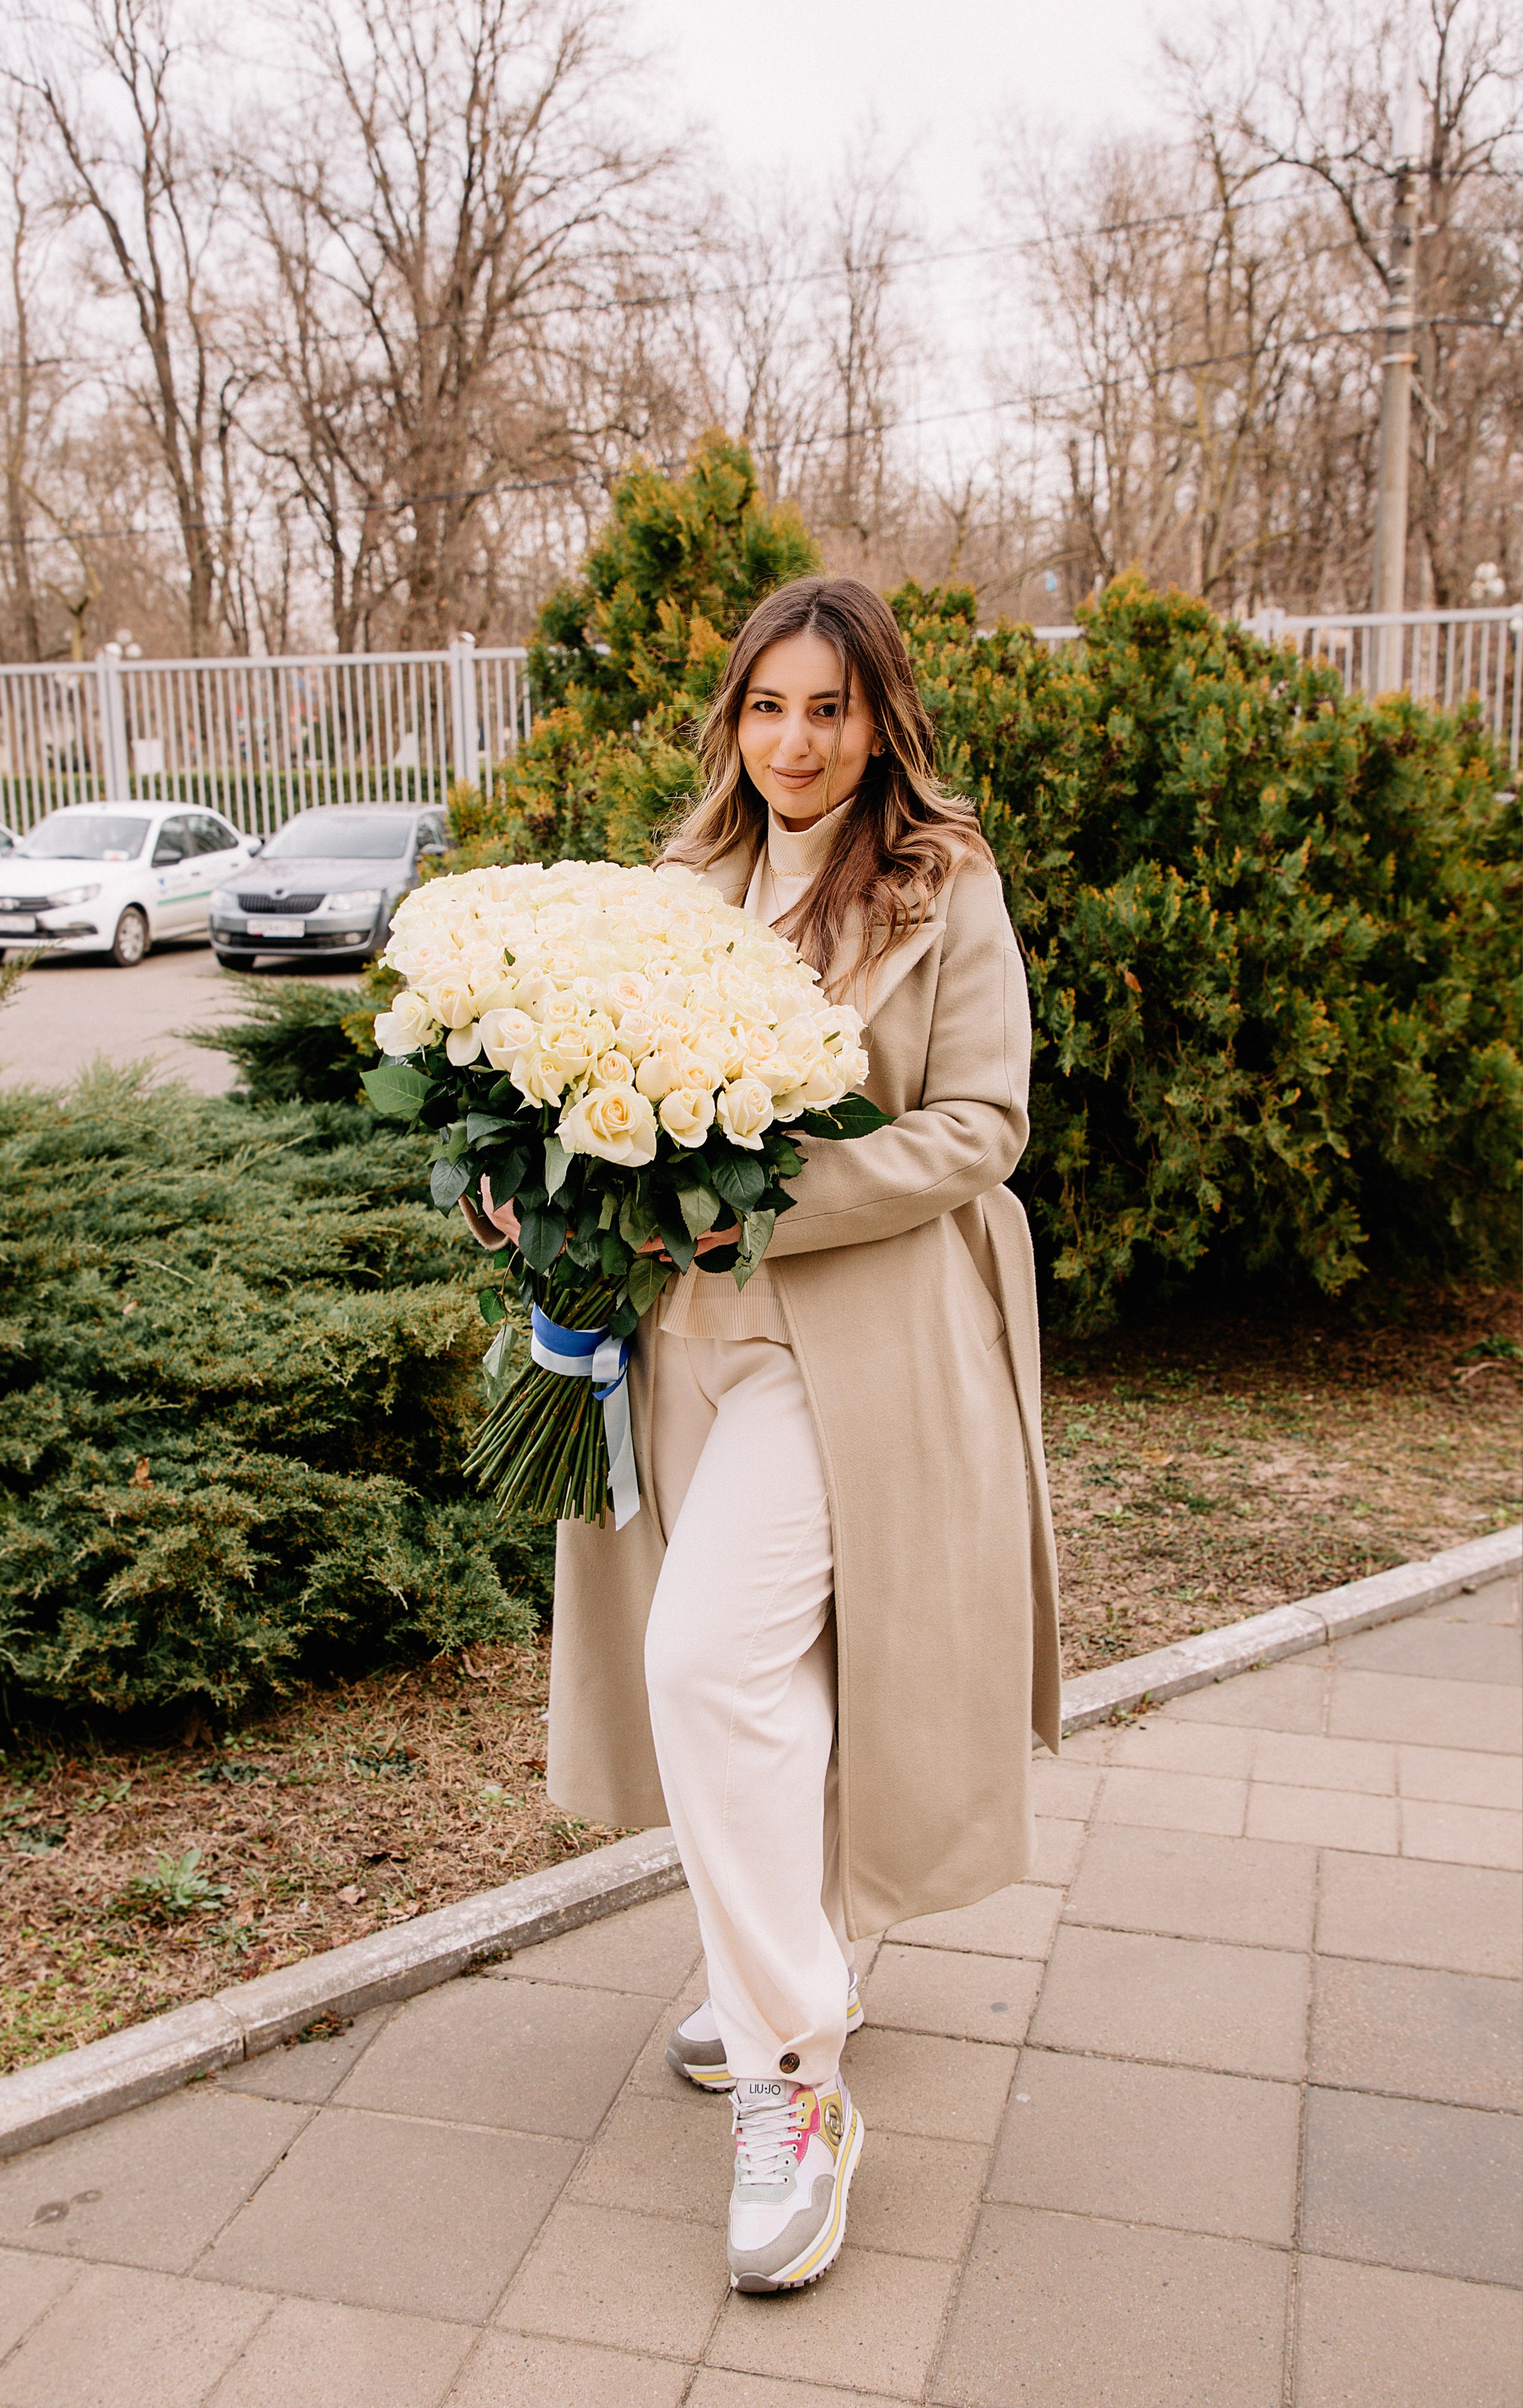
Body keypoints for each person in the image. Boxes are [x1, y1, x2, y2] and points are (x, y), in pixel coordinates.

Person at [470, 574, 1059, 2295]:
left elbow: (982, 1127)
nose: (796, 742)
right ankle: (795, 1963)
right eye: (768, 708)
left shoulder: (944, 888)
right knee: (772, 1674)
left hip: (853, 1344)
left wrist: (768, 1206)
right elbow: (586, 1095)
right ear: (733, 719)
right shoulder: (679, 884)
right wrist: (539, 1189)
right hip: (677, 1345)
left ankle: (795, 2077)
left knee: (706, 1659)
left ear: (881, 722)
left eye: (831, 710)